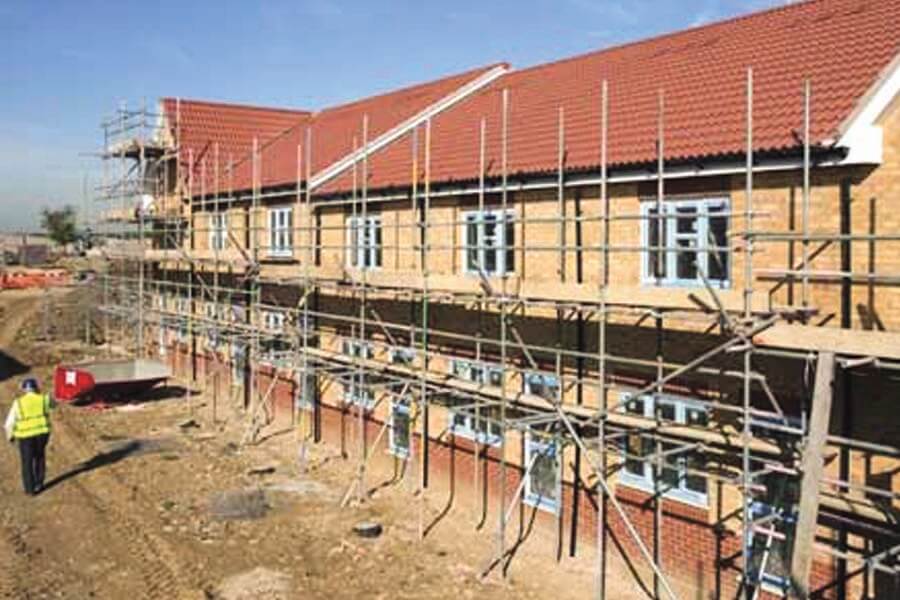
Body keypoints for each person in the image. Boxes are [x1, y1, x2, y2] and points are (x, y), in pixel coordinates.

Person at [5, 377, 54, 495]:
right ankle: (39, 483)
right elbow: (54, 405)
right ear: (36, 388)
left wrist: (10, 436)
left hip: (25, 436)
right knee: (40, 457)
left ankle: (29, 489)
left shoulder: (18, 403)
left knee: (26, 462)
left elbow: (9, 423)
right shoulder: (43, 399)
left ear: (24, 389)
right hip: (42, 434)